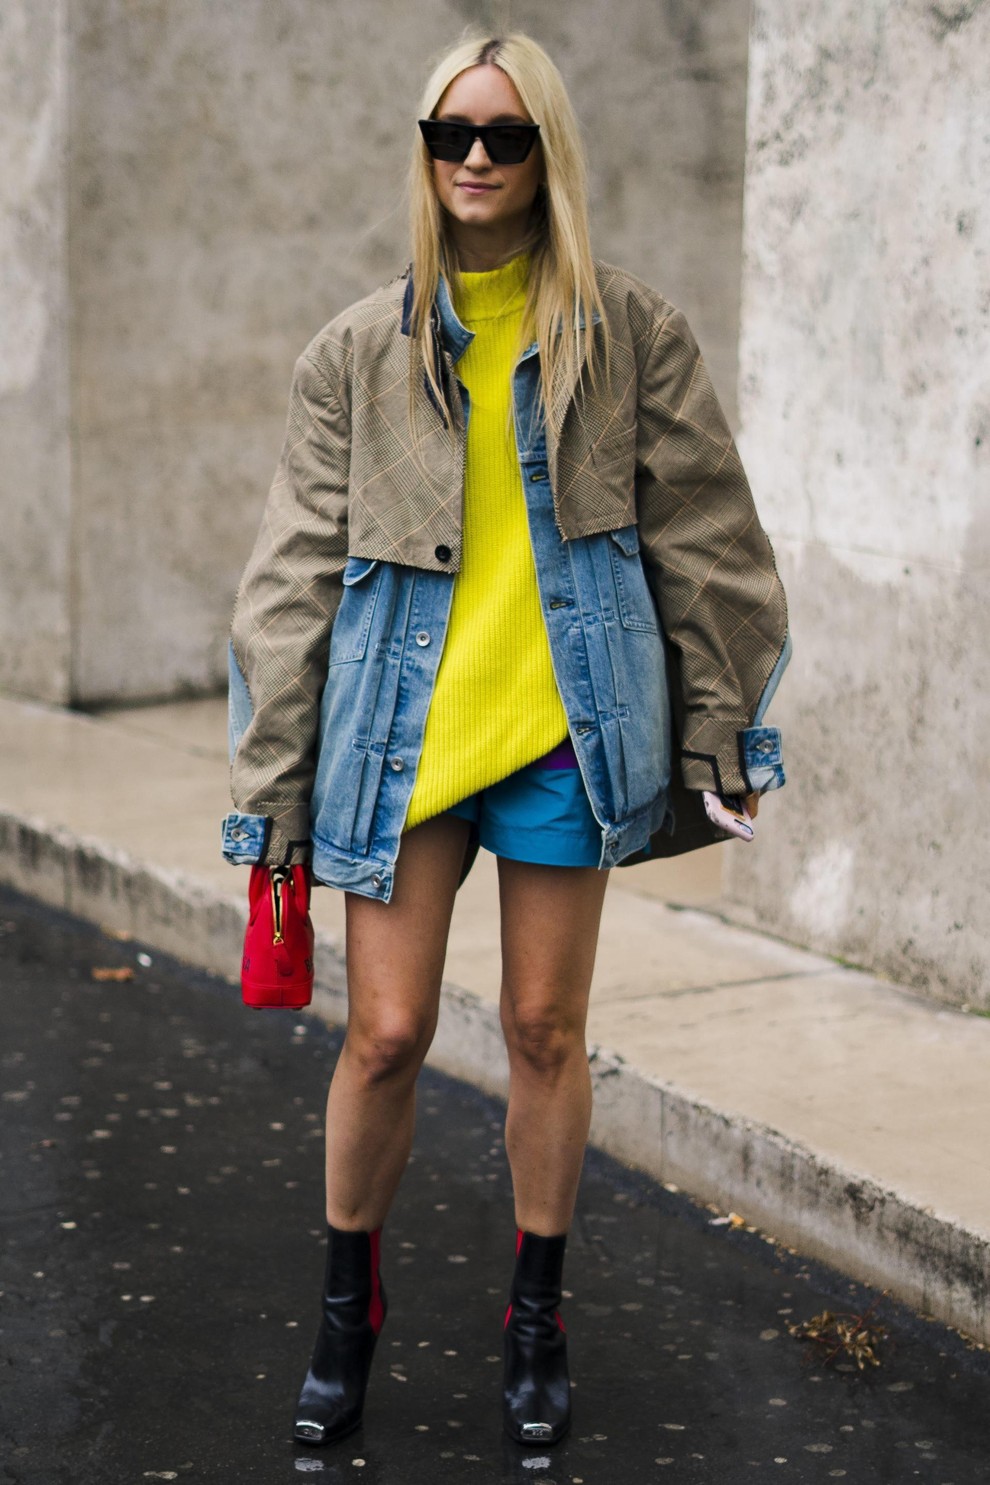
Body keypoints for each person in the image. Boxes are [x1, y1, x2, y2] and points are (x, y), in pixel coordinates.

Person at [221, 30, 789, 1450]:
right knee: (386, 1036)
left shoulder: (626, 334)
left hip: (560, 739)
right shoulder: (356, 352)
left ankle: (534, 1317)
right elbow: (288, 578)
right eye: (449, 133)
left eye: (505, 134)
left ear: (547, 153)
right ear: (421, 152)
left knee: (544, 1031)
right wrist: (270, 787)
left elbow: (711, 541)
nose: (474, 157)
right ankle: (347, 1305)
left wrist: (723, 725)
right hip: (398, 746)